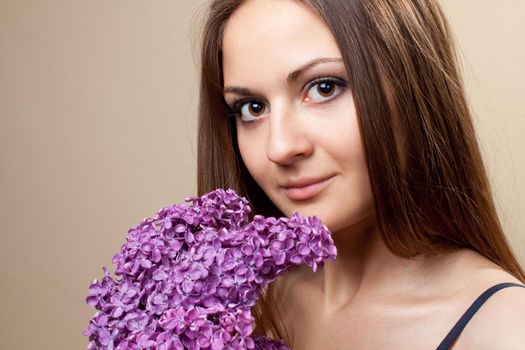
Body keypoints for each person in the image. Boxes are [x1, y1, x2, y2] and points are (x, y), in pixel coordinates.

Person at [195, 0, 525, 348]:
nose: (279, 147)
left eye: (324, 87)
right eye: (252, 108)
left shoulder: (503, 331)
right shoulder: (231, 306)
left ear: (414, 89)